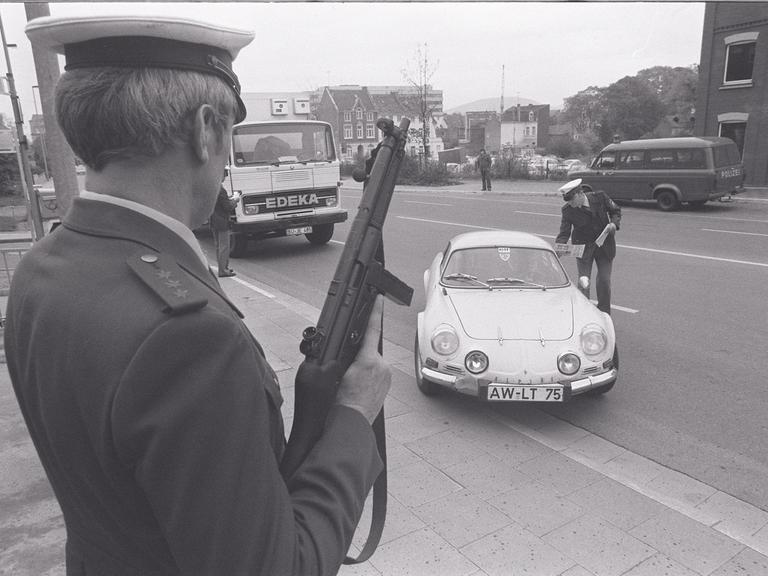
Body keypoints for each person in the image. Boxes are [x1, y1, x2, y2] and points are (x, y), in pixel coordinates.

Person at [7, 14, 390, 575]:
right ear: (205, 129)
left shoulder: (42, 267)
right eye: (231, 135)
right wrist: (356, 413)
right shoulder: (189, 337)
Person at [555, 178, 622, 314]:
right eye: (568, 201)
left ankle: (604, 313)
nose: (570, 204)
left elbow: (615, 210)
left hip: (605, 246)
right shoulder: (567, 210)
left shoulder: (600, 197)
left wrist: (613, 224)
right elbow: (564, 232)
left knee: (604, 280)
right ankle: (584, 313)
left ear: (580, 194)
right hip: (583, 248)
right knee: (584, 282)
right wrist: (559, 248)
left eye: (572, 200)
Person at [211, 177, 239, 277]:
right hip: (222, 221)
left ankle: (223, 268)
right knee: (224, 247)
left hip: (214, 220)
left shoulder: (213, 188)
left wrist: (229, 199)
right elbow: (227, 207)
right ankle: (223, 270)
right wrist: (235, 200)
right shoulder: (221, 190)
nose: (225, 177)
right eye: (225, 174)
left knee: (219, 246)